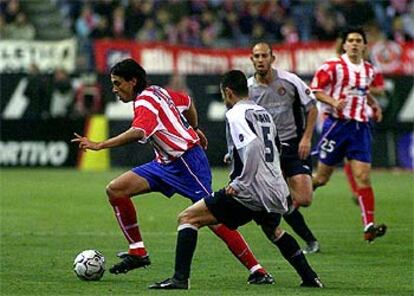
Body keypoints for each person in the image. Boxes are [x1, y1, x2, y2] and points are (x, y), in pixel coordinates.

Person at [71, 58, 273, 284]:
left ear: (133, 81)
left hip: (187, 162)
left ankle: (258, 270)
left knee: (213, 217)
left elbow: (139, 131)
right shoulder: (157, 91)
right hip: (164, 164)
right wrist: (194, 128)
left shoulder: (146, 101)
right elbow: (188, 102)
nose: (115, 89)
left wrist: (100, 145)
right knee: (116, 190)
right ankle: (138, 251)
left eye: (118, 83)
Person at [149, 70, 323, 290]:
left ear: (228, 92)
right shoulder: (262, 111)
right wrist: (234, 156)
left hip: (249, 190)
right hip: (274, 188)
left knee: (188, 218)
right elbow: (276, 147)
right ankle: (310, 277)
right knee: (274, 231)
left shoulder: (236, 114)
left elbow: (252, 147)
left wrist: (241, 182)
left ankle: (180, 279)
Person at [310, 27, 387, 242]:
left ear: (364, 45)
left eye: (358, 40)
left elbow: (363, 91)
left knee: (363, 175)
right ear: (344, 45)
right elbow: (315, 90)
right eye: (350, 40)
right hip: (336, 126)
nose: (354, 43)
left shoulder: (369, 69)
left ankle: (369, 225)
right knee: (321, 178)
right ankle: (293, 201)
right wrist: (334, 102)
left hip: (360, 127)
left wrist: (375, 105)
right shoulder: (332, 66)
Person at [246, 42, 320, 254]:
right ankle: (310, 240)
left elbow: (312, 108)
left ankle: (283, 205)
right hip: (268, 152)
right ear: (252, 59)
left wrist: (306, 138)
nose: (260, 60)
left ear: (272, 58)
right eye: (256, 56)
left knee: (304, 199)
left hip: (295, 146)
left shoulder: (290, 81)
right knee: (282, 199)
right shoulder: (249, 89)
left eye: (264, 56)